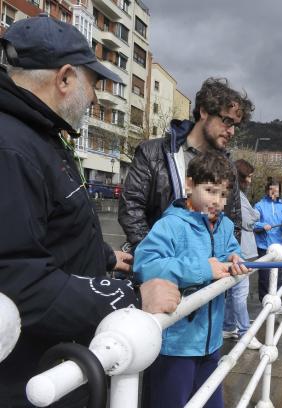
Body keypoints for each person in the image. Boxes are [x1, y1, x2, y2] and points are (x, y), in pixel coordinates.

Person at [0, 16, 179, 406]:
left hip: (56, 359)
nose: (96, 98)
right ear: (64, 78)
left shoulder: (39, 135)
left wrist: (106, 257)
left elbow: (52, 228)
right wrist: (129, 299)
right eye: (93, 83)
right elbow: (15, 277)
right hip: (35, 379)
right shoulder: (12, 147)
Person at [133, 151, 248, 408]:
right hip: (175, 345)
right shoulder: (171, 225)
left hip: (211, 342)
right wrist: (203, 270)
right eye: (209, 190)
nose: (216, 200)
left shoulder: (225, 226)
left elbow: (232, 250)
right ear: (189, 184)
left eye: (223, 194)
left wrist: (235, 257)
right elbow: (145, 264)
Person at [118, 77, 254, 251]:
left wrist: (222, 260)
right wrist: (156, 256)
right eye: (227, 121)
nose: (232, 131)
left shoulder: (228, 168)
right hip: (161, 271)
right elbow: (131, 209)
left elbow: (234, 222)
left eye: (236, 126)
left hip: (209, 273)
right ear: (204, 111)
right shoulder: (152, 152)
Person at [223, 159, 262, 349]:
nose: (251, 181)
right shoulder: (237, 196)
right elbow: (248, 219)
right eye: (250, 177)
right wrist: (255, 216)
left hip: (238, 249)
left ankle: (229, 326)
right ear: (242, 177)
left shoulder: (238, 195)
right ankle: (245, 332)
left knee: (233, 292)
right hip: (241, 250)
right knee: (240, 293)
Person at [254, 179, 282, 301]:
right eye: (271, 189)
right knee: (264, 277)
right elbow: (253, 224)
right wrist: (262, 226)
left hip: (278, 246)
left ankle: (277, 301)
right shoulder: (259, 205)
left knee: (278, 276)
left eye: (276, 189)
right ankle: (264, 301)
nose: (274, 191)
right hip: (263, 246)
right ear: (266, 190)